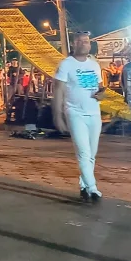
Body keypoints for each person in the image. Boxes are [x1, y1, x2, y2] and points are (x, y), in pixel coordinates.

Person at [53, 31, 105, 203]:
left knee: (92, 154)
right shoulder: (66, 64)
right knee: (83, 153)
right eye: (80, 41)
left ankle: (83, 186)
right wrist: (58, 115)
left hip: (94, 113)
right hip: (75, 113)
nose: (84, 44)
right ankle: (92, 188)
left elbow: (100, 87)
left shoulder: (94, 65)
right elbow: (58, 90)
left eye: (86, 41)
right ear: (74, 44)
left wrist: (101, 94)